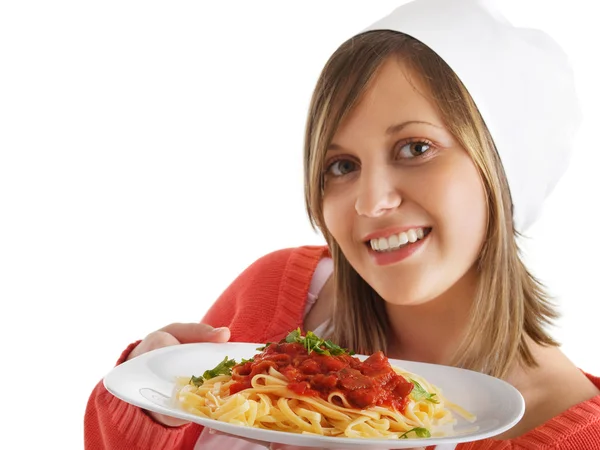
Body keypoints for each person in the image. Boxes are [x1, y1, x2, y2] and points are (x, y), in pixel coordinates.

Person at [84, 0, 600, 448]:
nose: (371, 202)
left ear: (505, 169)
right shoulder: (276, 291)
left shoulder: (577, 433)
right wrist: (148, 407)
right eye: (341, 166)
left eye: (415, 148)